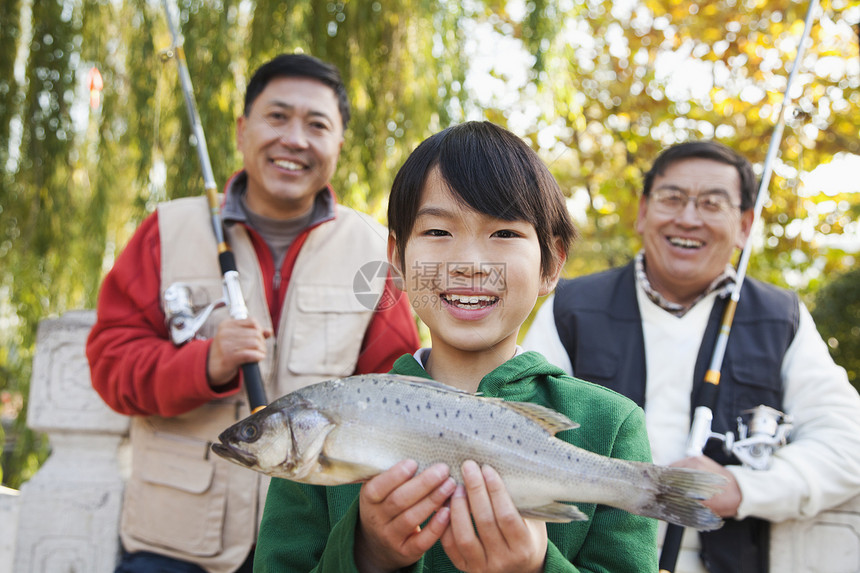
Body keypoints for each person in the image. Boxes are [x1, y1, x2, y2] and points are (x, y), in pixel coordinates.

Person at [254, 121, 659, 572]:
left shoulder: (611, 426)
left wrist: (535, 568)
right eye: (438, 233)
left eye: (504, 233)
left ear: (552, 264)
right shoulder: (318, 423)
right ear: (397, 258)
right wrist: (368, 554)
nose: (469, 264)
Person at [86, 54, 421, 573]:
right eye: (278, 117)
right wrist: (205, 366)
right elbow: (110, 365)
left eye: (317, 125)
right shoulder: (167, 231)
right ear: (243, 129)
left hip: (310, 545)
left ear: (338, 144)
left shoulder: (376, 252)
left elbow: (399, 391)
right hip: (172, 546)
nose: (295, 139)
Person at [523, 140, 860, 573]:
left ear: (744, 224)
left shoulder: (780, 318)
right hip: (594, 560)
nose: (688, 218)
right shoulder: (572, 307)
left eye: (711, 203)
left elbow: (848, 442)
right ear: (643, 212)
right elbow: (523, 428)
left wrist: (744, 488)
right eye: (672, 198)